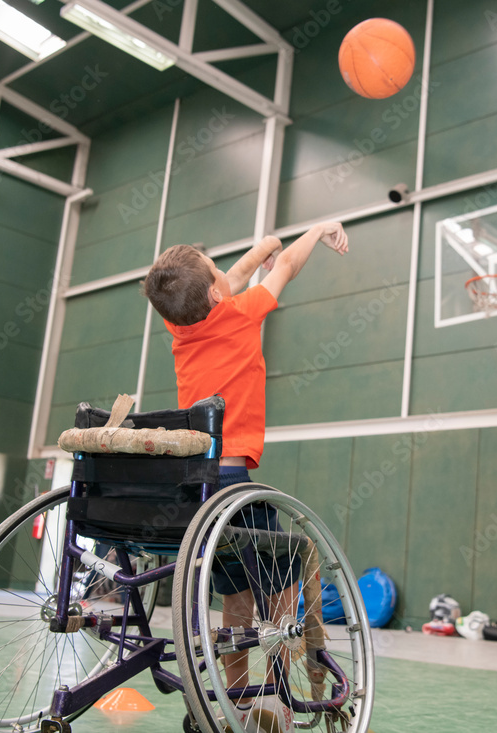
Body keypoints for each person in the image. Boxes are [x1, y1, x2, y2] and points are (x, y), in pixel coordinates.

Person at [143, 222, 348, 733]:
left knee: (235, 600)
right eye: (217, 270)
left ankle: (237, 704)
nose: (225, 273)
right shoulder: (241, 313)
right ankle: (279, 699)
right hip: (236, 487)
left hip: (196, 491)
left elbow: (235, 273)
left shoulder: (180, 328)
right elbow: (286, 270)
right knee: (279, 593)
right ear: (216, 291)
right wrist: (315, 231)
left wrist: (267, 242)